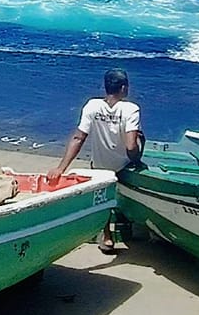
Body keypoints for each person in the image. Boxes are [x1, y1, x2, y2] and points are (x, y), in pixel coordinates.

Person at [50, 68, 143, 252]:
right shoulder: (131, 109)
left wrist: (61, 168)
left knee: (104, 197)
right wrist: (137, 159)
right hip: (123, 166)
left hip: (100, 165)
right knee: (139, 137)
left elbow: (78, 138)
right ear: (124, 88)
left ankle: (107, 236)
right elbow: (131, 146)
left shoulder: (92, 106)